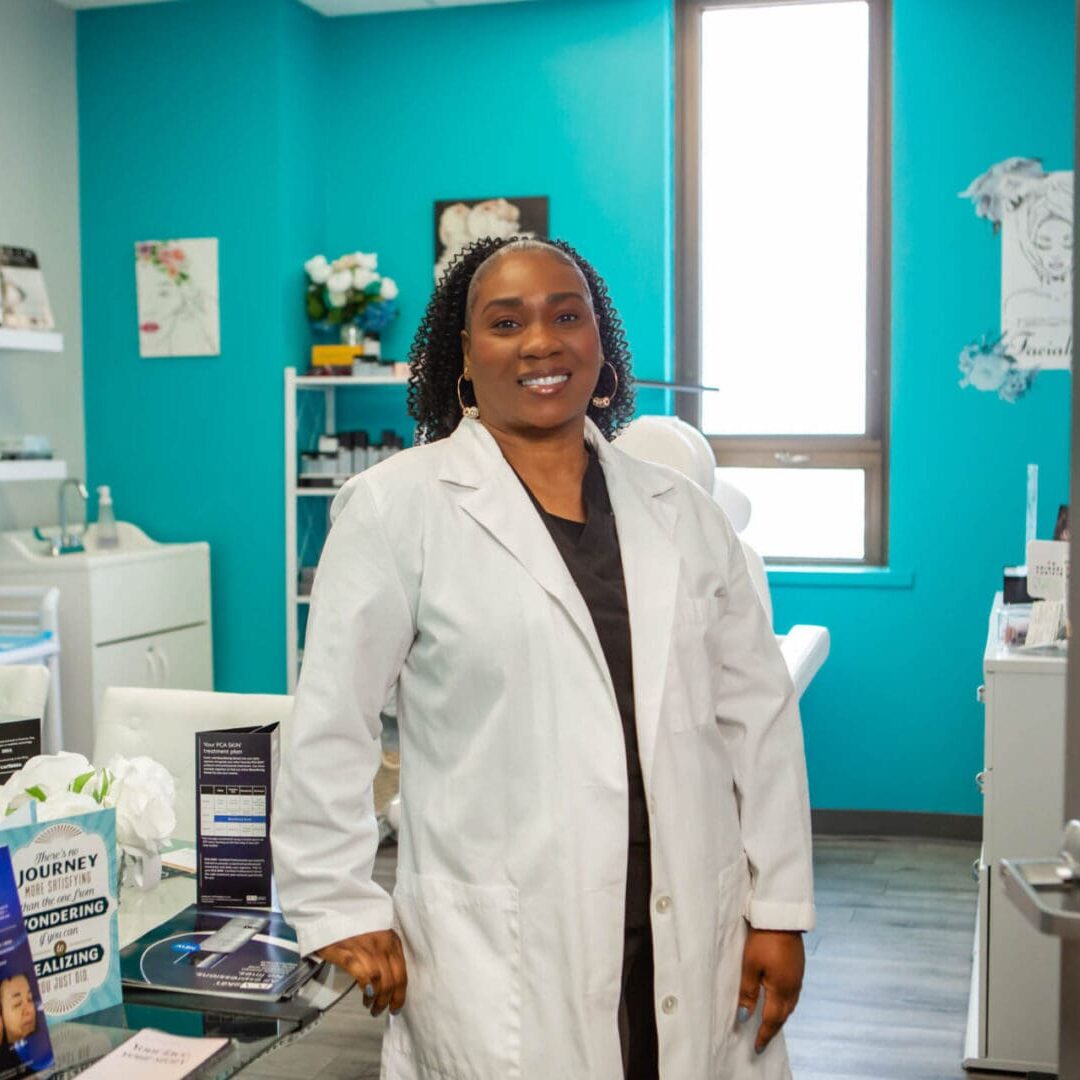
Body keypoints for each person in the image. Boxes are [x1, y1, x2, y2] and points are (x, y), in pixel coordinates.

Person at [272, 235, 815, 1079]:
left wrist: (778, 906)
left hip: (686, 911)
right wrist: (336, 900)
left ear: (602, 345)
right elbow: (333, 723)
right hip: (506, 940)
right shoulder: (396, 509)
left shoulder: (684, 513)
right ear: (463, 352)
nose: (540, 342)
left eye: (568, 315)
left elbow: (760, 718)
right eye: (505, 321)